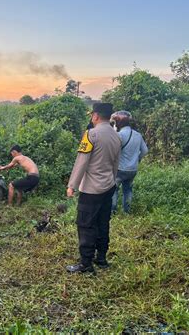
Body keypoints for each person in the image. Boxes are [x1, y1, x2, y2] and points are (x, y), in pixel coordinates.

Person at [66, 103, 121, 273]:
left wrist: (72, 185)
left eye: (92, 115)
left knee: (86, 224)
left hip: (91, 189)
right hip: (109, 185)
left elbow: (82, 162)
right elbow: (115, 163)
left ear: (96, 116)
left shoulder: (91, 134)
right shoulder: (116, 136)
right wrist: (111, 180)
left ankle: (86, 263)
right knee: (103, 222)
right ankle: (102, 258)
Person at [110, 111, 148, 214]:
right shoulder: (138, 135)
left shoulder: (119, 135)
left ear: (118, 124)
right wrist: (137, 159)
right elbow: (145, 151)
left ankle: (113, 211)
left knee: (114, 190)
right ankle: (127, 211)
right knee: (128, 189)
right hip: (133, 169)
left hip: (120, 169)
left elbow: (112, 151)